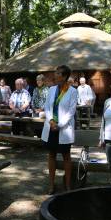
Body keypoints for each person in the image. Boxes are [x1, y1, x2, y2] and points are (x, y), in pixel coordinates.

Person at [41, 65, 78, 194]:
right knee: (51, 155)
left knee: (66, 156)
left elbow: (71, 111)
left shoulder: (72, 91)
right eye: (55, 73)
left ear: (64, 76)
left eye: (57, 73)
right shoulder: (51, 89)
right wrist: (51, 121)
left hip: (64, 128)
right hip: (51, 126)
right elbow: (47, 107)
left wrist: (60, 125)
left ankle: (67, 185)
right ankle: (51, 184)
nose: (55, 75)